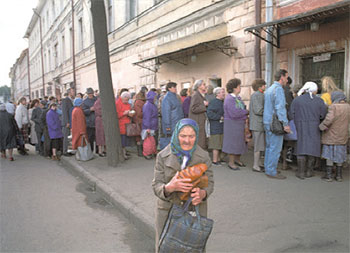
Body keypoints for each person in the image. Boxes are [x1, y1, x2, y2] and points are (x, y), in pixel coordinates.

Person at [152, 118, 214, 252]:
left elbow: (210, 183)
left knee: (191, 248)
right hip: (167, 210)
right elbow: (156, 185)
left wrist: (203, 194)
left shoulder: (203, 156)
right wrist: (169, 187)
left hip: (194, 211)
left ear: (196, 136)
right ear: (176, 135)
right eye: (183, 136)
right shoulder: (163, 156)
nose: (187, 140)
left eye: (191, 136)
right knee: (166, 248)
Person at [290, 82, 327, 179]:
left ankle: (301, 172)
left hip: (300, 126)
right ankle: (309, 171)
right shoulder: (319, 101)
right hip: (314, 126)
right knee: (312, 149)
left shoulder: (297, 100)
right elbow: (323, 115)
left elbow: (291, 114)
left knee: (301, 148)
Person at [263, 69, 291, 179]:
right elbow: (280, 108)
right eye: (286, 77)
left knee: (269, 147)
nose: (287, 80)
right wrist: (285, 124)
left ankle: (268, 168)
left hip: (267, 121)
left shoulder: (270, 89)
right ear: (282, 77)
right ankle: (271, 171)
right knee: (275, 148)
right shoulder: (278, 89)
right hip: (275, 123)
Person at [319, 91, 350, 182]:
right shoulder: (348, 107)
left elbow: (329, 120)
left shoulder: (333, 107)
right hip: (342, 134)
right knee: (340, 154)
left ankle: (329, 176)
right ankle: (339, 175)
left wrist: (321, 127)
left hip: (331, 134)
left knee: (329, 155)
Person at [222, 78, 249, 170]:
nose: (240, 88)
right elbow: (234, 113)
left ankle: (238, 159)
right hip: (232, 124)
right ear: (234, 88)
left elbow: (240, 110)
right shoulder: (229, 99)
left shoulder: (238, 98)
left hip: (239, 123)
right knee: (232, 143)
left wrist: (243, 112)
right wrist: (245, 112)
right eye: (239, 86)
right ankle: (231, 162)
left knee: (240, 142)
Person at [249, 78, 266, 172]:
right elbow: (258, 110)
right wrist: (268, 112)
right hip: (257, 124)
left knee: (260, 145)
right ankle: (255, 165)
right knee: (258, 146)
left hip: (258, 124)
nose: (265, 87)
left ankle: (258, 163)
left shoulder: (258, 95)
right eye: (264, 85)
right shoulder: (257, 95)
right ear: (260, 86)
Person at [160, 82, 184, 149]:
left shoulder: (175, 97)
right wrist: (167, 127)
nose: (176, 89)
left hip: (177, 122)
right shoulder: (167, 99)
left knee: (177, 141)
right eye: (174, 87)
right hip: (172, 124)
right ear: (169, 88)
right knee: (171, 141)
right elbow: (166, 113)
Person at [207, 87, 225, 165]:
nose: (224, 93)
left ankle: (218, 159)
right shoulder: (214, 102)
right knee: (216, 144)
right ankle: (215, 160)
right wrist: (219, 117)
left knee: (220, 143)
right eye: (222, 92)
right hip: (215, 125)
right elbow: (210, 114)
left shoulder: (222, 102)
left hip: (221, 125)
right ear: (217, 94)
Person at [189, 79, 209, 150]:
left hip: (201, 120)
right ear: (199, 86)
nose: (205, 86)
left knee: (202, 140)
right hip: (197, 121)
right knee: (199, 140)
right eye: (203, 84)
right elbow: (193, 108)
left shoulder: (201, 95)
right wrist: (204, 105)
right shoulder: (196, 95)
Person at [116, 91, 135, 159]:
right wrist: (124, 113)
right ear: (123, 97)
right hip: (121, 125)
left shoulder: (127, 104)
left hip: (127, 125)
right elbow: (116, 115)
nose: (127, 101)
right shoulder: (118, 103)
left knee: (125, 141)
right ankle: (123, 154)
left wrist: (130, 114)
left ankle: (124, 153)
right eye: (126, 99)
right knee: (122, 141)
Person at [142, 90, 159, 159]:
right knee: (149, 141)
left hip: (152, 125)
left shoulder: (150, 104)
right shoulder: (148, 105)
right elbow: (147, 117)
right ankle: (147, 153)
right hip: (150, 126)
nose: (155, 98)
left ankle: (151, 152)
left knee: (152, 141)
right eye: (154, 97)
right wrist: (147, 127)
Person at [133, 87, 148, 156]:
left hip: (140, 121)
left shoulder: (140, 101)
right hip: (140, 121)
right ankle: (140, 151)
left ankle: (141, 151)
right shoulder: (139, 102)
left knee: (140, 137)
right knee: (140, 137)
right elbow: (139, 113)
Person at [82, 87, 97, 152]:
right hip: (89, 122)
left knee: (97, 137)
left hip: (96, 121)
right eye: (89, 93)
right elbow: (83, 111)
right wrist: (90, 110)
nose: (90, 95)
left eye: (91, 93)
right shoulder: (85, 101)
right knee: (90, 137)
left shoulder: (97, 99)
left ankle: (97, 150)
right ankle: (90, 150)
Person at [61, 88, 75, 156]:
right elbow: (64, 112)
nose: (74, 92)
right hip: (67, 122)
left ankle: (69, 150)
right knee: (66, 137)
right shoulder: (65, 100)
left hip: (70, 121)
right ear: (69, 92)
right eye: (73, 91)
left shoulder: (71, 100)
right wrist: (67, 122)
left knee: (70, 137)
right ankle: (65, 151)